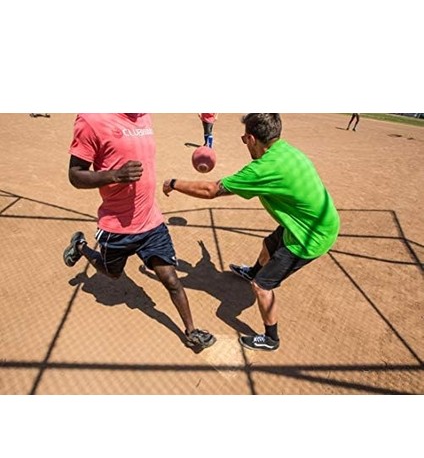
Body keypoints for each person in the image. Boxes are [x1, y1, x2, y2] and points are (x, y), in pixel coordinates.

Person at [163, 113, 340, 352]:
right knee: (269, 244)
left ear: (253, 139)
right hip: (312, 221)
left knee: (262, 287)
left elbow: (211, 190)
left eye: (244, 138)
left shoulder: (263, 169)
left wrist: (173, 183)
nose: (244, 142)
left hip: (309, 237)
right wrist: (204, 252)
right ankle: (253, 271)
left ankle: (271, 338)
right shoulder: (286, 151)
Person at [63, 113, 216, 351]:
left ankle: (191, 331)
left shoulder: (144, 114)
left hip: (151, 222)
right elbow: (75, 175)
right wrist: (114, 175)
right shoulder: (92, 119)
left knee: (171, 279)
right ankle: (80, 245)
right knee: (112, 272)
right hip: (117, 227)